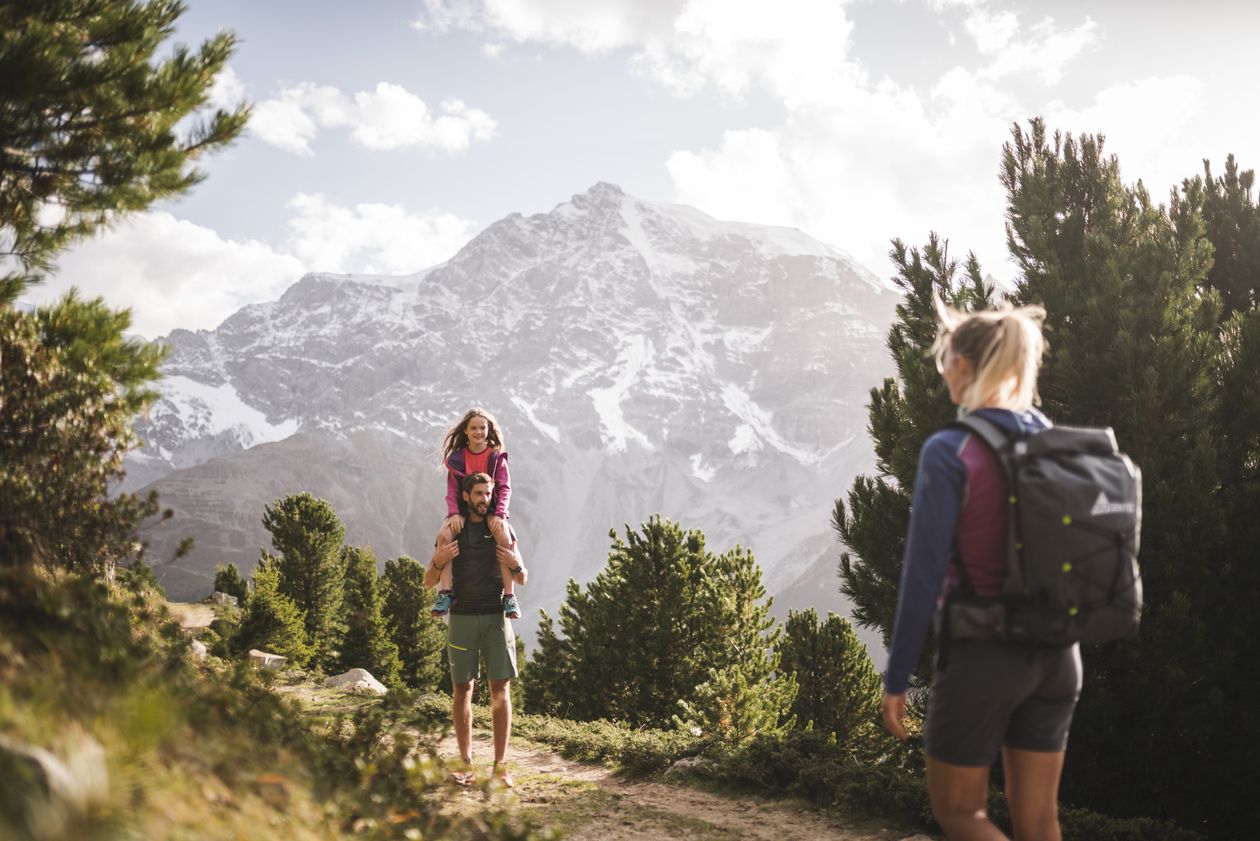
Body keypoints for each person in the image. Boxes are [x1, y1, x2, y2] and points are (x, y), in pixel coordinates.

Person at [881, 300, 1080, 841]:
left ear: (966, 366)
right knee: (1040, 820)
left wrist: (896, 679)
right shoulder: (1049, 436)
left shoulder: (951, 450)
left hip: (984, 652)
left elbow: (922, 577)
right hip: (1059, 653)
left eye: (945, 358)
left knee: (963, 814)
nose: (942, 369)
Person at [426, 471, 528, 788]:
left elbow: (523, 577)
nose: (484, 499)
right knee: (462, 691)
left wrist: (514, 562)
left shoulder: (501, 527)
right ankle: (465, 764)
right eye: (478, 494)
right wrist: (439, 559)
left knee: (500, 690)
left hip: (497, 616)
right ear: (466, 496)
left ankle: (500, 767)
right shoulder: (452, 529)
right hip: (461, 618)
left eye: (488, 493)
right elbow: (428, 581)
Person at [431, 407, 522, 619]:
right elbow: (452, 491)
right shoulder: (458, 458)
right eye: (474, 428)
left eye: (483, 427)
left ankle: (509, 596)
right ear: (466, 431)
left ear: (489, 430)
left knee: (504, 537)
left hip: (491, 507)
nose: (478, 432)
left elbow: (505, 488)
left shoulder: (496, 457)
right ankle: (445, 593)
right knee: (445, 536)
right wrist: (453, 513)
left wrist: (500, 514)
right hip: (463, 508)